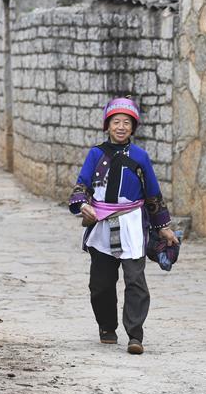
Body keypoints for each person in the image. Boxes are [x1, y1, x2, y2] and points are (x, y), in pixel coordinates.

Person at [68, 97, 179, 354]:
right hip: (102, 224)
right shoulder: (96, 154)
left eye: (126, 122)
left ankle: (135, 336)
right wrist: (82, 204)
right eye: (116, 122)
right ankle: (107, 327)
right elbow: (82, 184)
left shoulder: (140, 157)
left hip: (132, 224)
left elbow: (153, 193)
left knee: (135, 280)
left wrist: (163, 226)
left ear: (133, 127)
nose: (121, 127)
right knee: (101, 284)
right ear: (107, 125)